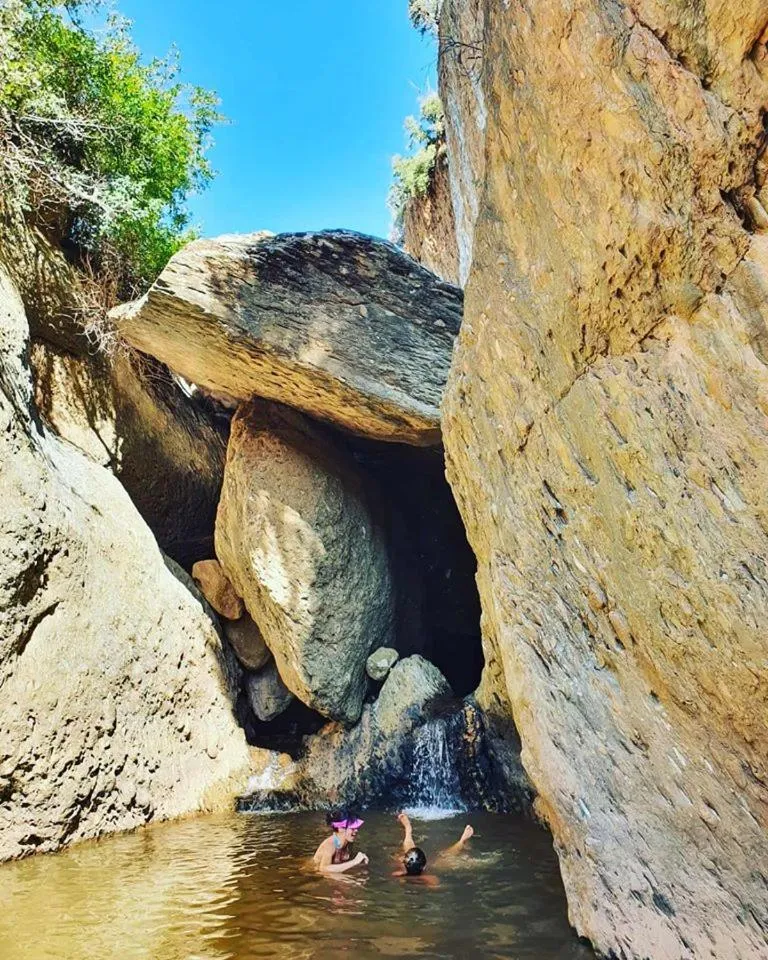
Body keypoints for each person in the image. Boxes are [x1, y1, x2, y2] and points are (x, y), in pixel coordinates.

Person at [392, 812, 474, 884]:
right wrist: (419, 878)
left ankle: (408, 830)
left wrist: (408, 877)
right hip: (420, 870)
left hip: (407, 869)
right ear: (424, 866)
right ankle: (461, 841)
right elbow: (435, 883)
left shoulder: (399, 873)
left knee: (409, 853)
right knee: (444, 859)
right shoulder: (429, 877)